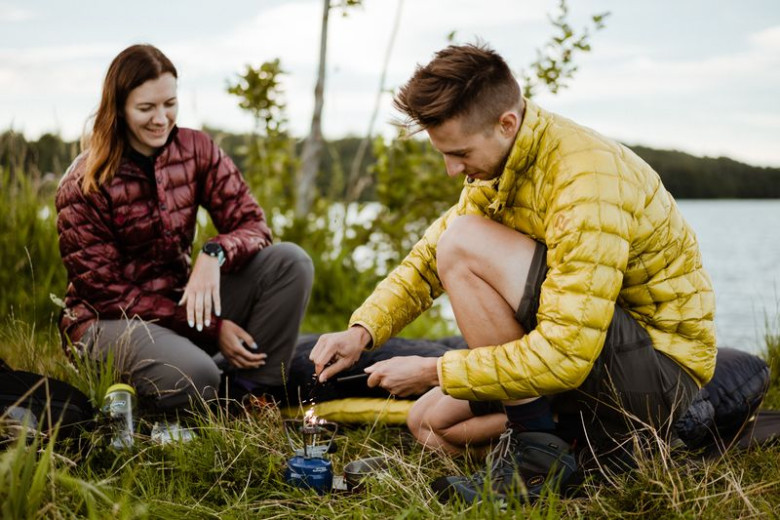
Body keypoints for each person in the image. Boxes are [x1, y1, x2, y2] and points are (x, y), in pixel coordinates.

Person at [310, 43, 716, 502]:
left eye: (460, 153)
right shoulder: (500, 167)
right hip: (591, 359)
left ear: (506, 123)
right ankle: (571, 448)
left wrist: (434, 369)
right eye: (443, 154)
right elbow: (427, 262)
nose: (451, 170)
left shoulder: (585, 179)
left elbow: (565, 352)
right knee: (425, 423)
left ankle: (539, 453)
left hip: (653, 375)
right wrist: (361, 333)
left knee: (463, 242)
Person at [56, 44, 314, 414]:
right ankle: (193, 384)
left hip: (179, 303)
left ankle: (254, 397)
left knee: (291, 262)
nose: (161, 118)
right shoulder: (84, 182)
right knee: (197, 375)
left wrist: (215, 253)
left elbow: (253, 225)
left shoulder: (196, 148)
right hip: (107, 321)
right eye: (146, 108)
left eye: (170, 104)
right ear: (119, 109)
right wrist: (213, 328)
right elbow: (104, 292)